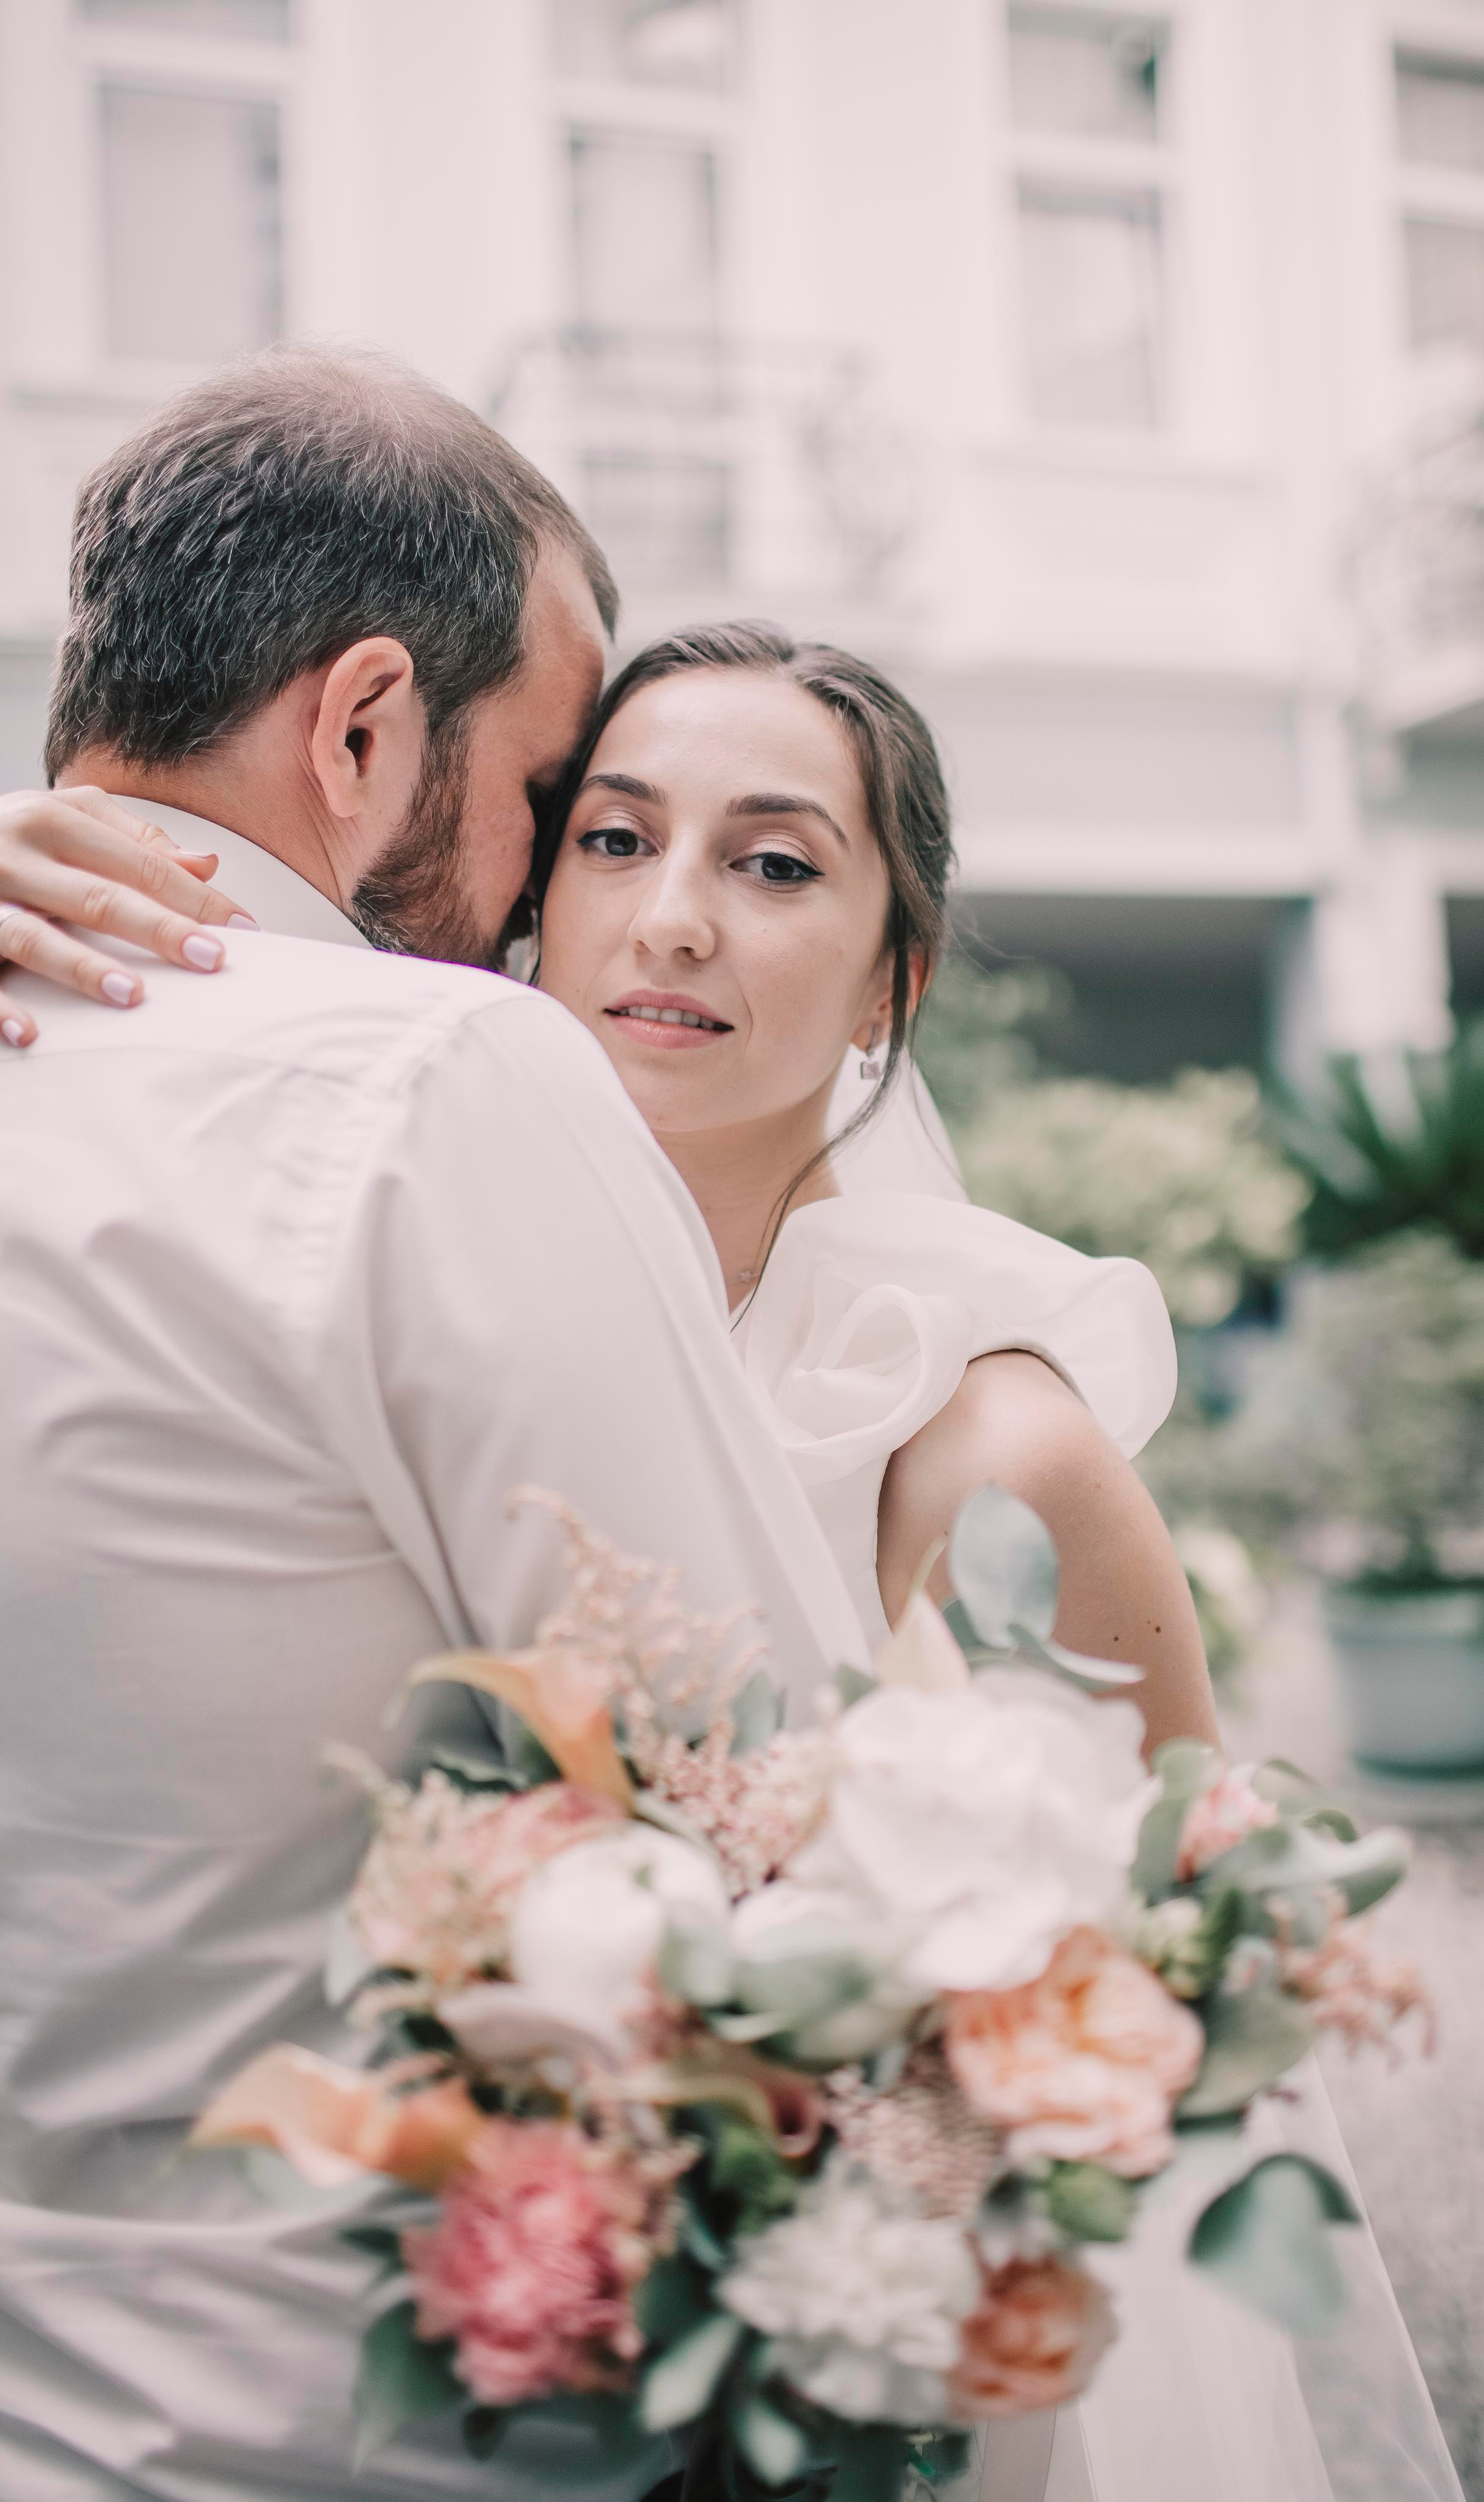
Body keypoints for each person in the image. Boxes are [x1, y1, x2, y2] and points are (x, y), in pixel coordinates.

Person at [2, 581, 1461, 2494]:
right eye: (613, 839)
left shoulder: (999, 1451)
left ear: (890, 986)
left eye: (775, 866)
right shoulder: (395, 1280)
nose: (674, 916)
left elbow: (1173, 1993)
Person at [0, 348, 874, 2502]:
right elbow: (760, 1796)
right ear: (365, 726)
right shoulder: (428, 1074)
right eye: (554, 798)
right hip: (349, 2419)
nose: (546, 896)